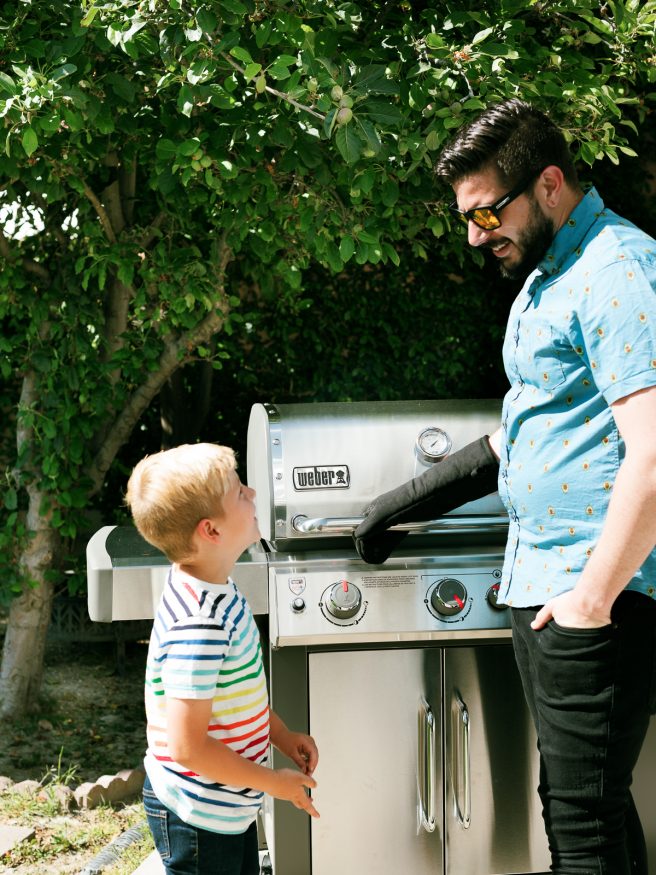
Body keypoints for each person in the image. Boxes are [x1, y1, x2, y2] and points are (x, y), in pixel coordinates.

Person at [353, 98, 656, 875]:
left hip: (597, 596)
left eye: (487, 214)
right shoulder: (550, 276)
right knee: (593, 803)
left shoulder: (617, 271)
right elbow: (533, 425)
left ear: (549, 183)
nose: (473, 235)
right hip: (551, 585)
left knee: (580, 827)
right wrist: (407, 503)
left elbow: (654, 452)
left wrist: (591, 599)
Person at [126, 442, 319, 875]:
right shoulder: (200, 623)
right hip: (196, 815)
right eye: (239, 494)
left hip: (225, 803)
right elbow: (188, 747)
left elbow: (236, 698)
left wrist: (282, 735)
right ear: (210, 531)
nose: (252, 494)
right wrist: (275, 784)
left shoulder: (216, 588)